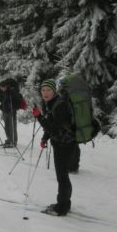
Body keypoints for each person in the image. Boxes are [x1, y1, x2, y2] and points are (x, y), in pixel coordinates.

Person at [33, 79, 76, 216]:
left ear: (54, 91)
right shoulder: (51, 103)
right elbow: (51, 124)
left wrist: (39, 117)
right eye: (43, 90)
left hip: (65, 144)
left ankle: (61, 207)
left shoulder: (60, 105)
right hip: (60, 142)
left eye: (48, 90)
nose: (45, 93)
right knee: (62, 175)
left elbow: (54, 128)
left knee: (62, 176)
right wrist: (45, 138)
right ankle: (65, 203)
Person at [0, 78, 22, 147]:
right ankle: (9, 140)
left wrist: (14, 106)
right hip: (4, 110)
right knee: (6, 126)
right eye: (2, 87)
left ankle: (14, 141)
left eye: (4, 87)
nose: (3, 89)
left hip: (12, 110)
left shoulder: (11, 91)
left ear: (6, 86)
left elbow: (18, 99)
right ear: (0, 87)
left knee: (12, 126)